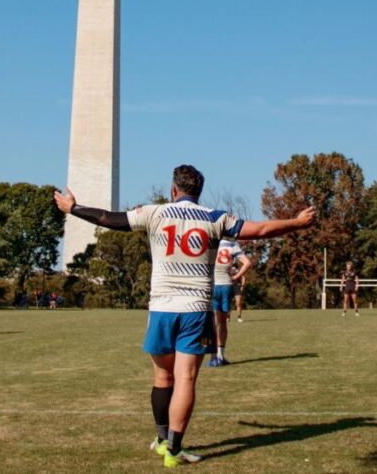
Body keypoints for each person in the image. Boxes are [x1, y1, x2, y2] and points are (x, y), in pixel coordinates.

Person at [54, 164, 316, 467]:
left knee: (162, 376)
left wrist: (73, 208)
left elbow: (108, 219)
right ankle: (174, 450)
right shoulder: (215, 218)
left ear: (173, 189)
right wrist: (296, 223)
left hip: (161, 308)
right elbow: (261, 230)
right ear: (198, 191)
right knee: (186, 378)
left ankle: (162, 439)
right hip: (194, 309)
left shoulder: (155, 213)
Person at [209, 239, 252, 367]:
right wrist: (236, 276)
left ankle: (212, 357)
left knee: (211, 323)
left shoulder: (209, 242)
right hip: (226, 286)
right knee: (222, 323)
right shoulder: (232, 245)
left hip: (212, 286)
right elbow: (247, 263)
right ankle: (220, 356)